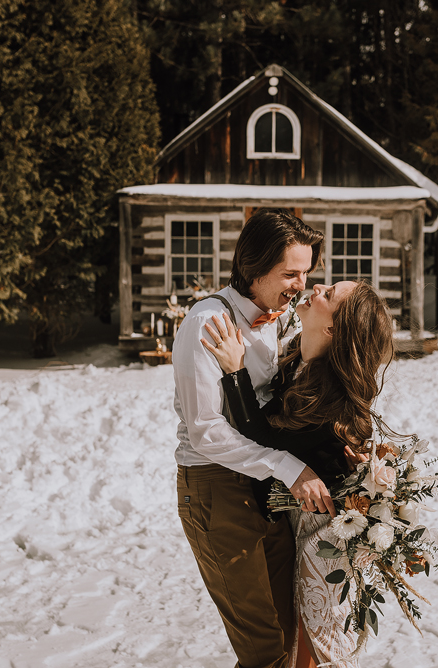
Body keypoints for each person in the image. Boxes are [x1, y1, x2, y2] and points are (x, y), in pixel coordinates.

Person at [201, 280, 395, 668]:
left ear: (332, 330)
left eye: (328, 295)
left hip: (323, 541)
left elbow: (261, 437)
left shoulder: (331, 399)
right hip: (294, 528)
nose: (317, 286)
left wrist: (235, 370)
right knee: (293, 639)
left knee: (317, 646)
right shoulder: (298, 361)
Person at [172, 208, 333, 668]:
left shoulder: (279, 319)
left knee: (287, 630)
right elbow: (205, 432)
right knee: (262, 648)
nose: (300, 285)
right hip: (216, 487)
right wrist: (289, 467)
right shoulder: (208, 322)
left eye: (305, 273)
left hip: (268, 490)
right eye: (290, 273)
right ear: (253, 266)